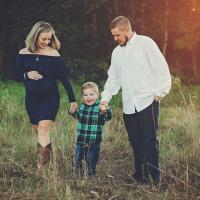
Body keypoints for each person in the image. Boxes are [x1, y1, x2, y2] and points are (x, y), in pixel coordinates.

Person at [100, 16, 171, 184]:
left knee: (149, 140)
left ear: (126, 30)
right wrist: (105, 98)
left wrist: (161, 92)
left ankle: (154, 178)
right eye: (113, 36)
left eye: (117, 35)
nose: (115, 39)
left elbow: (161, 67)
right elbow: (113, 78)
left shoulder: (146, 43)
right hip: (129, 105)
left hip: (148, 101)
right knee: (135, 141)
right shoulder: (116, 52)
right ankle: (140, 174)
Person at [15, 21, 78, 168]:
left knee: (43, 129)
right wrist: (27, 74)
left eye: (49, 39)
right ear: (35, 36)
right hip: (32, 100)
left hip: (50, 98)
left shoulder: (53, 54)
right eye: (43, 39)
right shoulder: (23, 53)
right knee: (39, 131)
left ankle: (42, 169)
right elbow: (17, 75)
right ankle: (50, 160)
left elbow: (64, 78)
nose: (46, 42)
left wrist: (72, 100)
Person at [69, 82, 112, 177]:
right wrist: (72, 112)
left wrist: (106, 110)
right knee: (78, 157)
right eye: (85, 95)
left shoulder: (99, 108)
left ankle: (91, 173)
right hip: (81, 138)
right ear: (82, 96)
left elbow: (108, 117)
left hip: (94, 140)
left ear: (97, 95)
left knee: (91, 158)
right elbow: (78, 116)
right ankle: (78, 174)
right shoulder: (82, 106)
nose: (88, 97)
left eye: (91, 94)